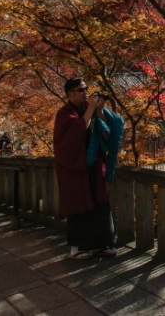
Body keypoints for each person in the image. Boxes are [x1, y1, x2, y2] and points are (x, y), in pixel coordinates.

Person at [53, 78, 124, 260]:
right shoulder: (64, 114)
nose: (85, 93)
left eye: (86, 89)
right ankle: (77, 248)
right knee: (80, 206)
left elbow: (107, 129)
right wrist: (91, 109)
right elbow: (74, 136)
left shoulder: (89, 110)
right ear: (70, 94)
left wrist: (98, 110)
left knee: (100, 204)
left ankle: (102, 244)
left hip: (94, 166)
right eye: (81, 90)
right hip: (76, 169)